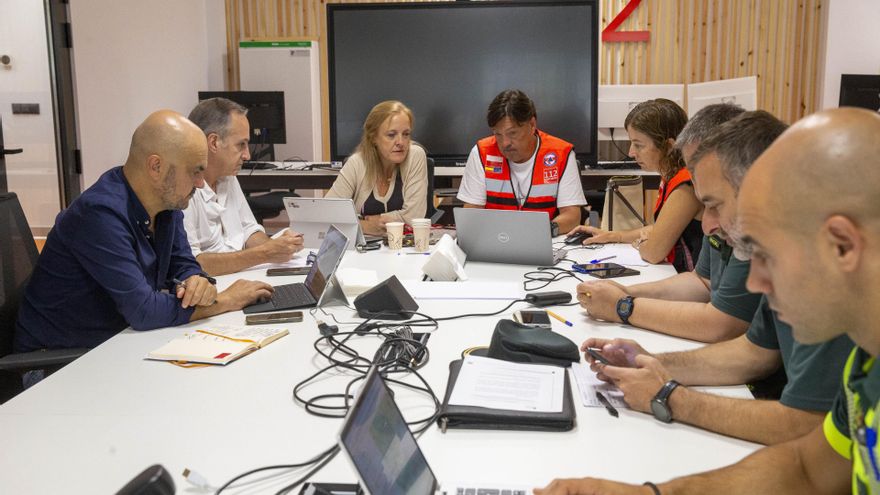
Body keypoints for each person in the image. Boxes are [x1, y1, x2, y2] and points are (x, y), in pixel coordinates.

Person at [535, 108, 879, 495]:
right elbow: (807, 468)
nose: (755, 282)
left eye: (767, 255)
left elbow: (803, 427)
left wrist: (669, 394)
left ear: (843, 246)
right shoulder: (867, 361)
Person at [579, 111, 853, 446]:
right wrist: (649, 363)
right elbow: (754, 352)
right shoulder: (788, 255)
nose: (707, 225)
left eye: (714, 204)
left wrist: (669, 396)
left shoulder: (825, 275)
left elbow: (809, 429)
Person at [13, 110, 273, 357]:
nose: (200, 183)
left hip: (115, 343)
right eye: (194, 171)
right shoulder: (99, 214)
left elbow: (183, 263)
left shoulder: (167, 204)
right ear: (156, 166)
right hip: (58, 361)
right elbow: (143, 310)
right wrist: (225, 300)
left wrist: (196, 281)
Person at [577, 104, 762, 343]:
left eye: (638, 144)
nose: (706, 225)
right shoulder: (711, 206)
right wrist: (625, 293)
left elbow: (722, 325)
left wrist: (622, 306)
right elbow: (701, 282)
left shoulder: (748, 229)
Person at [568, 99, 703, 272]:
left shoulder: (685, 186)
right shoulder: (673, 176)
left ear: (669, 146)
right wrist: (613, 236)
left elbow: (653, 252)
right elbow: (662, 228)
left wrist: (643, 243)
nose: (631, 152)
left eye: (638, 145)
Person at [183, 97, 304, 276]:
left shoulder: (228, 177)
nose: (247, 155)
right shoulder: (182, 190)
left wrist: (279, 247)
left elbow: (248, 230)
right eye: (241, 145)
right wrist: (265, 253)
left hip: (240, 275)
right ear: (214, 143)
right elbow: (192, 264)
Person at [456, 89, 587, 235]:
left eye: (512, 133)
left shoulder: (561, 154)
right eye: (498, 134)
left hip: (544, 240)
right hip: (496, 240)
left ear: (532, 124)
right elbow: (472, 214)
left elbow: (572, 217)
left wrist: (541, 231)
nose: (505, 143)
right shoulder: (482, 153)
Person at [325, 100, 428, 236]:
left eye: (406, 134)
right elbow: (327, 214)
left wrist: (367, 220)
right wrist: (365, 226)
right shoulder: (356, 163)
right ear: (373, 137)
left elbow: (414, 218)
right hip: (364, 246)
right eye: (391, 135)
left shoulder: (415, 155)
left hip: (404, 245)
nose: (401, 142)